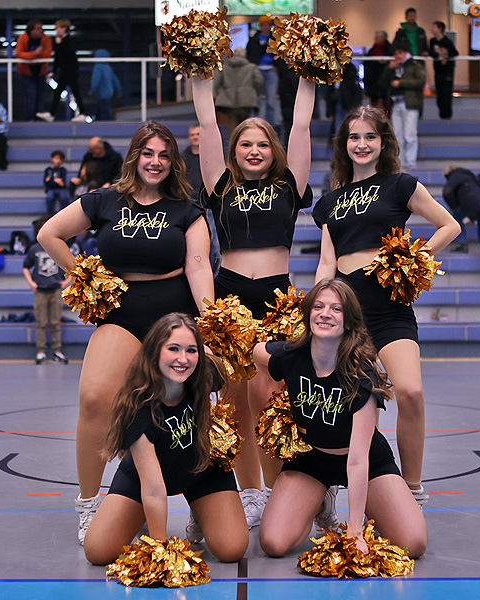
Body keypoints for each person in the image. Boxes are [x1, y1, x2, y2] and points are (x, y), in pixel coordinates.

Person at [37, 121, 213, 545]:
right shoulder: (104, 200)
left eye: (164, 155)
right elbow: (49, 234)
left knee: (195, 410)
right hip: (121, 315)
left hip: (174, 318)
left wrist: (209, 326)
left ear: (173, 162)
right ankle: (88, 503)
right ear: (134, 156)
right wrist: (86, 276)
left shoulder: (187, 210)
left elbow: (198, 267)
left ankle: (199, 504)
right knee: (95, 398)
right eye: (148, 153)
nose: (155, 162)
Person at [313, 105, 461, 507]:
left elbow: (450, 225)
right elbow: (327, 261)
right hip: (345, 310)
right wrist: (317, 306)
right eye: (354, 137)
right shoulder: (329, 201)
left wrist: (415, 260)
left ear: (383, 142)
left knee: (410, 391)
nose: (361, 144)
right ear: (344, 145)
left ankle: (412, 488)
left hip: (389, 307)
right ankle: (333, 485)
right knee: (348, 405)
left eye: (370, 137)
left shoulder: (400, 185)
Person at [191, 68, 315, 530]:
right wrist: (199, 72)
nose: (255, 150)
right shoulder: (220, 186)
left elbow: (301, 125)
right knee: (235, 400)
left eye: (263, 144)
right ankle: (250, 494)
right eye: (245, 144)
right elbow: (207, 123)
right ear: (234, 150)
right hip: (230, 300)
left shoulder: (289, 186)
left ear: (273, 150)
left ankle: (285, 490)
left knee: (274, 398)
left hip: (278, 300)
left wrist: (310, 73)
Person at [253, 278, 428, 558]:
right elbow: (257, 352)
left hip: (366, 462)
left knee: (414, 544)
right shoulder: (292, 354)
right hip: (310, 460)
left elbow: (357, 460)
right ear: (308, 313)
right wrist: (277, 394)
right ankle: (319, 501)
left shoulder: (361, 373)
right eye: (318, 306)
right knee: (273, 543)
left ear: (349, 321)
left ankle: (372, 508)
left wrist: (354, 531)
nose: (325, 314)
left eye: (336, 309)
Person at [83, 313, 248, 565]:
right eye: (173, 349)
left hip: (202, 471)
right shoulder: (138, 407)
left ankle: (200, 511)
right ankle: (140, 518)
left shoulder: (203, 375)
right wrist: (160, 551)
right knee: (97, 552)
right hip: (145, 480)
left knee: (232, 549)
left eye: (191, 350)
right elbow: (153, 490)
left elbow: (221, 367)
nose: (183, 359)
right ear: (154, 352)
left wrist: (204, 350)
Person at [443, 166, 480, 284]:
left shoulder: (454, 176)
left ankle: (463, 243)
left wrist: (454, 207)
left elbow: (447, 192)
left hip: (473, 206)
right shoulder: (470, 177)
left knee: (455, 217)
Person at [23, 229, 70, 364]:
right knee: (41, 322)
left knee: (56, 322)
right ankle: (41, 352)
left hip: (55, 289)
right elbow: (25, 266)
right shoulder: (35, 249)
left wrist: (67, 281)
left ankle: (57, 351)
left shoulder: (59, 247)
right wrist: (31, 282)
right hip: (40, 290)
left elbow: (72, 264)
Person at [180, 123, 219, 270]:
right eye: (192, 135)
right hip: (190, 205)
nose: (195, 137)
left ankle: (216, 274)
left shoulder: (211, 156)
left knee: (215, 242)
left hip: (210, 206)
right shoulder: (182, 158)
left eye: (198, 134)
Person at [380, 45, 425, 169]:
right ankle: (400, 162)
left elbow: (420, 81)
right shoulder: (393, 67)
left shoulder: (415, 65)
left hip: (410, 103)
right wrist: (389, 69)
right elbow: (382, 83)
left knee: (410, 134)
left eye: (399, 53)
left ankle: (411, 162)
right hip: (395, 103)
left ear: (405, 53)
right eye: (395, 54)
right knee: (397, 135)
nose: (397, 56)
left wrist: (401, 83)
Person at [36, 19, 88, 122]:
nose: (56, 30)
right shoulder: (60, 42)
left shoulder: (69, 41)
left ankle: (83, 113)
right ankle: (52, 114)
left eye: (58, 28)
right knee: (58, 92)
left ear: (64, 29)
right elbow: (58, 58)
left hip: (71, 71)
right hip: (64, 71)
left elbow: (68, 55)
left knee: (75, 91)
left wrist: (60, 45)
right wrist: (54, 71)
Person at [212, 47, 263, 136]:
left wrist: (217, 95)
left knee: (233, 130)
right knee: (245, 127)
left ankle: (234, 144)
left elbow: (216, 83)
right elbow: (259, 81)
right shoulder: (251, 67)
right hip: (247, 101)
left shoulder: (224, 68)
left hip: (229, 102)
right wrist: (254, 93)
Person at [15, 19, 53, 121]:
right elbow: (19, 54)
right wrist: (35, 53)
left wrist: (31, 57)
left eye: (41, 28)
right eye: (38, 29)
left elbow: (47, 54)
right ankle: (29, 118)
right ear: (31, 31)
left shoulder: (46, 39)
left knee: (40, 95)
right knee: (31, 93)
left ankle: (39, 118)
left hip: (41, 72)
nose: (40, 31)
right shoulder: (22, 38)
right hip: (25, 72)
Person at [247, 16, 281, 129]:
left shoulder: (275, 39)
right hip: (258, 70)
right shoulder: (254, 39)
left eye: (267, 25)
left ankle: (271, 126)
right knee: (257, 100)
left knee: (271, 101)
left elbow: (280, 54)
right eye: (263, 25)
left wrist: (276, 65)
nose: (265, 27)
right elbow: (250, 54)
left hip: (271, 70)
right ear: (261, 26)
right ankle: (255, 125)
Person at [428, 21, 458, 120]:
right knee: (439, 93)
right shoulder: (433, 41)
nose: (432, 29)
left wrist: (446, 55)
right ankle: (441, 115)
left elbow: (455, 53)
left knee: (446, 93)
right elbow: (431, 52)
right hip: (438, 70)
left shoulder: (447, 41)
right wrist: (438, 55)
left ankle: (447, 115)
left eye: (434, 27)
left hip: (447, 71)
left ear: (439, 29)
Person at [90, 49, 122, 121]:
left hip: (101, 93)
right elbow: (115, 80)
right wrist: (119, 90)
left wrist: (92, 90)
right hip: (108, 93)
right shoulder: (108, 67)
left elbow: (95, 80)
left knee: (105, 112)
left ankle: (111, 125)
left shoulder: (98, 67)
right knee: (100, 111)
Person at [363, 31, 393, 110]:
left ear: (384, 38)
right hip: (373, 83)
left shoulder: (390, 50)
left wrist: (385, 63)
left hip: (386, 84)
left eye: (378, 37)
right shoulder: (371, 51)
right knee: (373, 107)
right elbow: (367, 65)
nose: (375, 39)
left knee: (386, 107)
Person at [44, 150, 70, 214]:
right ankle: (50, 214)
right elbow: (46, 182)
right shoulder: (48, 170)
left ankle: (64, 213)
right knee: (49, 198)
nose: (58, 161)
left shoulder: (63, 170)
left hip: (61, 189)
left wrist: (51, 180)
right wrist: (57, 181)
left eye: (60, 159)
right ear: (52, 159)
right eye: (56, 158)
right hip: (50, 189)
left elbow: (62, 183)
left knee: (64, 198)